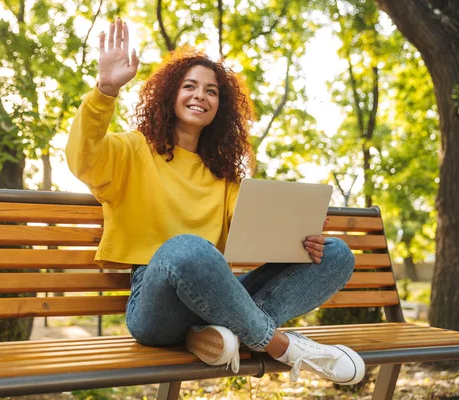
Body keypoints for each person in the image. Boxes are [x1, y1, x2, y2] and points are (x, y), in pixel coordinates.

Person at [66, 17, 365, 385]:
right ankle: (280, 345)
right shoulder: (132, 149)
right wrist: (106, 91)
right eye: (189, 86)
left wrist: (301, 244)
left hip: (215, 292)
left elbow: (253, 236)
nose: (200, 96)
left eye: (211, 91)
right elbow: (83, 158)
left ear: (219, 107)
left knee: (336, 254)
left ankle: (215, 335)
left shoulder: (225, 176)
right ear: (169, 95)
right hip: (154, 305)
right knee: (186, 249)